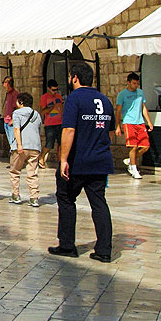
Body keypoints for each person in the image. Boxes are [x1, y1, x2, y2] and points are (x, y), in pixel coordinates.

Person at [50, 62, 115, 263]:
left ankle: (67, 244)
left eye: (70, 77)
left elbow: (68, 130)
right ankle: (104, 250)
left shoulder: (74, 99)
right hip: (100, 160)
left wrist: (63, 159)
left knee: (66, 198)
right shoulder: (105, 100)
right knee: (99, 203)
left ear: (75, 78)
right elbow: (110, 131)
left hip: (78, 161)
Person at [116, 72, 154, 180]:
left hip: (140, 122)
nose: (135, 85)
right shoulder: (122, 95)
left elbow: (143, 108)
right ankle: (134, 169)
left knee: (145, 146)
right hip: (128, 122)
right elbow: (118, 111)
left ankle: (130, 160)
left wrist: (149, 122)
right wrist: (118, 126)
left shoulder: (140, 93)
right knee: (134, 146)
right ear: (128, 83)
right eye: (133, 83)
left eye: (137, 83)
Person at [10, 92, 43, 206]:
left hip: (21, 146)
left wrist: (19, 145)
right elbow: (39, 129)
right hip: (35, 146)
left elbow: (16, 129)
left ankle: (16, 195)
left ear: (21, 102)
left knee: (15, 171)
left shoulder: (17, 113)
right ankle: (34, 197)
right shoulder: (36, 114)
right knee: (32, 173)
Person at [39, 80, 64, 169]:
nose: (55, 92)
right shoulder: (44, 97)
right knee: (49, 144)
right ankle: (41, 157)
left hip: (60, 123)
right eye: (53, 90)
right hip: (50, 124)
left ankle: (61, 161)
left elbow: (61, 108)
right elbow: (42, 111)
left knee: (61, 144)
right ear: (48, 89)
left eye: (56, 89)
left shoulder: (59, 97)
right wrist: (53, 107)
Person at [1, 76, 19, 141]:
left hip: (11, 121)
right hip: (6, 120)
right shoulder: (8, 94)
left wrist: (13, 119)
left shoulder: (14, 94)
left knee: (13, 141)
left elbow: (16, 107)